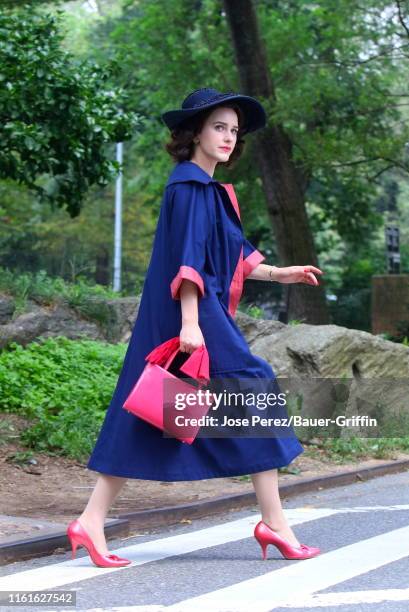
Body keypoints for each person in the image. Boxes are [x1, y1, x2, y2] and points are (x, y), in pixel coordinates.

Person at [67, 88, 323, 567]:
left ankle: (91, 520)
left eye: (233, 130)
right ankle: (274, 523)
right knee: (252, 386)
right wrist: (190, 325)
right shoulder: (188, 186)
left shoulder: (209, 189)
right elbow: (188, 261)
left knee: (153, 410)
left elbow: (233, 253)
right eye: (218, 127)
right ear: (194, 133)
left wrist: (281, 273)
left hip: (197, 314)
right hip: (193, 315)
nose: (228, 137)